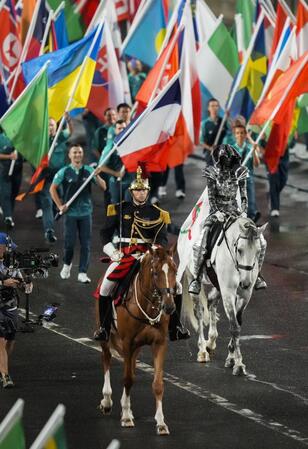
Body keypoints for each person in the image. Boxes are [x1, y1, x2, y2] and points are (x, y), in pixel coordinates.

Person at [95, 166, 190, 342]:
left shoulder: (157, 213)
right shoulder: (119, 209)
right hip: (123, 255)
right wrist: (112, 251)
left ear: (147, 191)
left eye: (143, 190)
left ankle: (175, 327)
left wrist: (153, 253)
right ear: (132, 192)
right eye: (138, 190)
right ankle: (104, 327)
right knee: (106, 286)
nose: (141, 193)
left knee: (177, 286)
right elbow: (104, 234)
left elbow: (162, 239)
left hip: (148, 256)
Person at [189, 144, 267, 295]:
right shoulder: (212, 173)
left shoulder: (240, 173)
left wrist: (243, 211)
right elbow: (211, 197)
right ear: (219, 160)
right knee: (201, 242)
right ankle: (196, 278)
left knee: (261, 240)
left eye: (230, 160)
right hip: (216, 213)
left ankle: (257, 274)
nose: (227, 163)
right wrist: (217, 212)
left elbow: (244, 196)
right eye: (224, 160)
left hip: (236, 212)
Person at [49, 144, 106, 283]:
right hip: (70, 214)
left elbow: (104, 187)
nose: (77, 155)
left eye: (80, 152)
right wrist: (59, 205)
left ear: (82, 154)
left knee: (86, 244)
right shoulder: (64, 171)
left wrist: (97, 176)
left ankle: (82, 272)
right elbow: (52, 189)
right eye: (74, 153)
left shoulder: (89, 170)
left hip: (86, 213)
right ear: (69, 155)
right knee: (69, 244)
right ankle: (67, 265)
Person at [0, 233, 32, 388]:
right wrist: (2, 282)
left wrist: (25, 285)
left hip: (11, 305)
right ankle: (5, 376)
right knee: (0, 340)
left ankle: (1, 368)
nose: (9, 249)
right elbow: (5, 281)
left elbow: (19, 280)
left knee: (10, 339)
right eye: (7, 246)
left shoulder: (12, 262)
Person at [39, 116, 73, 243]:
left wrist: (69, 121)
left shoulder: (60, 136)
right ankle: (49, 230)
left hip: (60, 177)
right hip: (46, 177)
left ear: (56, 127)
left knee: (59, 199)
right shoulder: (40, 140)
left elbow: (70, 132)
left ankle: (54, 215)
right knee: (47, 202)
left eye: (52, 125)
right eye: (48, 125)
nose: (50, 127)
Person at [232, 122, 261, 223]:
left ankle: (251, 220)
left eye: (241, 133)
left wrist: (254, 151)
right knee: (237, 204)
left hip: (248, 179)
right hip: (235, 181)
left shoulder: (249, 148)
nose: (240, 135)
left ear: (245, 135)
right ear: (235, 135)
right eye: (237, 133)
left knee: (250, 203)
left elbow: (257, 164)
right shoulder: (231, 149)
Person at [0, 127, 23, 228]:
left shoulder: (21, 138)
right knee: (6, 193)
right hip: (4, 170)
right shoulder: (1, 138)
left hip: (17, 170)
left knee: (14, 193)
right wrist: (9, 156)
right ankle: (8, 217)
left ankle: (9, 213)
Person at [200, 98, 229, 166]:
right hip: (210, 154)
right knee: (212, 175)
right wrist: (211, 148)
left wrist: (228, 117)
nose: (214, 108)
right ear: (208, 108)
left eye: (216, 106)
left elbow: (233, 131)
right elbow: (201, 141)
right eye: (212, 106)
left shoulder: (223, 122)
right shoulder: (204, 124)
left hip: (223, 154)